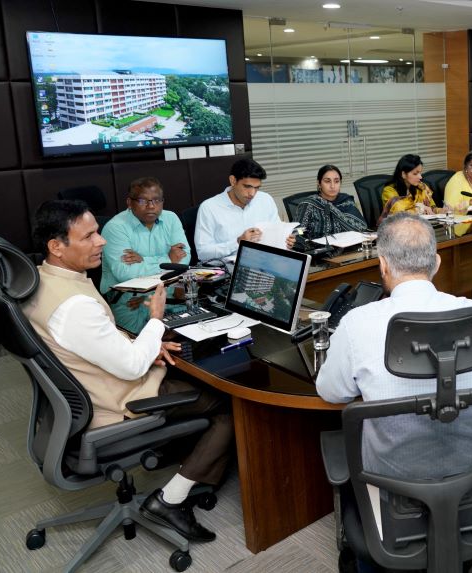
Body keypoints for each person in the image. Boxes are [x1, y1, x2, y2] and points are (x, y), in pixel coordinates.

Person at [23, 200, 233, 543]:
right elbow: (132, 365)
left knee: (184, 372)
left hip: (87, 394)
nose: (101, 241)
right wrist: (155, 321)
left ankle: (177, 455)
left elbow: (93, 341)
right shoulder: (74, 307)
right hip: (119, 402)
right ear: (56, 247)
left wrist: (147, 345)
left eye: (97, 232)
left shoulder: (42, 280)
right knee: (226, 402)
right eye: (89, 236)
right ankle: (170, 500)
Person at [316, 212, 472, 478]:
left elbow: (332, 392)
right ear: (437, 263)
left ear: (383, 265)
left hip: (390, 480)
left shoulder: (356, 324)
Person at [100, 177, 189, 332]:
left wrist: (144, 260)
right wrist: (168, 259)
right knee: (136, 344)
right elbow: (125, 273)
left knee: (186, 335)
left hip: (168, 293)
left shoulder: (171, 218)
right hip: (129, 299)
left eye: (157, 200)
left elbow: (184, 259)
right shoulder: (115, 227)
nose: (151, 206)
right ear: (129, 202)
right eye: (142, 201)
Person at [195, 158, 291, 261]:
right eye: (247, 186)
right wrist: (238, 242)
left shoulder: (265, 199)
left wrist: (285, 241)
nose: (252, 193)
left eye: (257, 188)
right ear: (233, 181)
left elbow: (276, 233)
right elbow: (203, 253)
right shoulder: (209, 208)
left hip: (264, 260)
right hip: (228, 266)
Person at [291, 164, 367, 238]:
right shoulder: (309, 204)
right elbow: (297, 232)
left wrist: (331, 208)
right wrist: (303, 236)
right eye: (327, 181)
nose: (332, 186)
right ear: (319, 183)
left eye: (336, 181)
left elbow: (361, 228)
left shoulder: (346, 201)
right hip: (317, 246)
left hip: (348, 245)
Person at [379, 154, 438, 222]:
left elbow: (432, 207)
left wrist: (441, 211)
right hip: (397, 226)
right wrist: (421, 208)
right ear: (403, 174)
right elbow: (399, 211)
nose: (420, 177)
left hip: (419, 225)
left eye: (420, 173)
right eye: (415, 174)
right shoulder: (389, 191)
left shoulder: (421, 187)